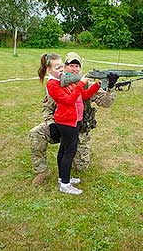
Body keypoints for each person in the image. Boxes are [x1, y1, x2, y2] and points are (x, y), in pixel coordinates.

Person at [29, 52, 119, 185]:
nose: (74, 69)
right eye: (71, 65)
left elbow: (106, 103)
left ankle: (63, 176)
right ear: (64, 67)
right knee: (36, 133)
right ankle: (42, 171)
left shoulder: (84, 83)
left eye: (77, 66)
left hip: (80, 128)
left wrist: (109, 86)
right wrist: (51, 124)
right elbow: (47, 108)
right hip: (62, 124)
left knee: (80, 167)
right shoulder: (57, 84)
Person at [38, 53, 100, 194]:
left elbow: (83, 95)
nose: (61, 69)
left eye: (61, 66)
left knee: (63, 150)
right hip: (66, 122)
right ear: (49, 69)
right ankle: (65, 185)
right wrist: (81, 83)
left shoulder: (64, 80)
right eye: (57, 67)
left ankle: (63, 178)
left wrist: (96, 85)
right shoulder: (52, 84)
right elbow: (68, 100)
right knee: (69, 152)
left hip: (75, 120)